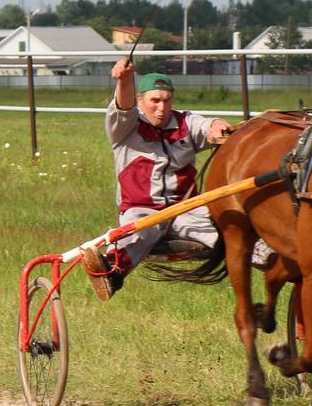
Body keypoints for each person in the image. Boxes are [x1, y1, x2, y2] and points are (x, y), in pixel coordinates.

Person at [82, 59, 233, 301]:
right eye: (155, 101)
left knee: (230, 228)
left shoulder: (185, 122)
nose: (162, 108)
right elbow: (123, 106)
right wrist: (124, 80)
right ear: (140, 101)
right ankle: (110, 273)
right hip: (141, 211)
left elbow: (205, 125)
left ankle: (272, 257)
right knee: (137, 233)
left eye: (167, 100)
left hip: (187, 210)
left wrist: (217, 126)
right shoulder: (125, 127)